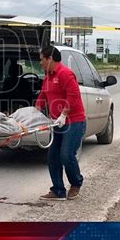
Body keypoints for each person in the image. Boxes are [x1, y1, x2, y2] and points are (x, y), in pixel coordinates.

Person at [35, 46, 86, 201]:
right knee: (53, 157)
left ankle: (76, 183)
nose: (40, 63)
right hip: (57, 123)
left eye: (42, 59)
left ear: (49, 59)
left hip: (73, 121)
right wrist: (36, 112)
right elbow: (44, 95)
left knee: (66, 155)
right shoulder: (48, 76)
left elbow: (73, 96)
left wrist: (64, 114)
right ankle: (58, 190)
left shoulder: (65, 74)